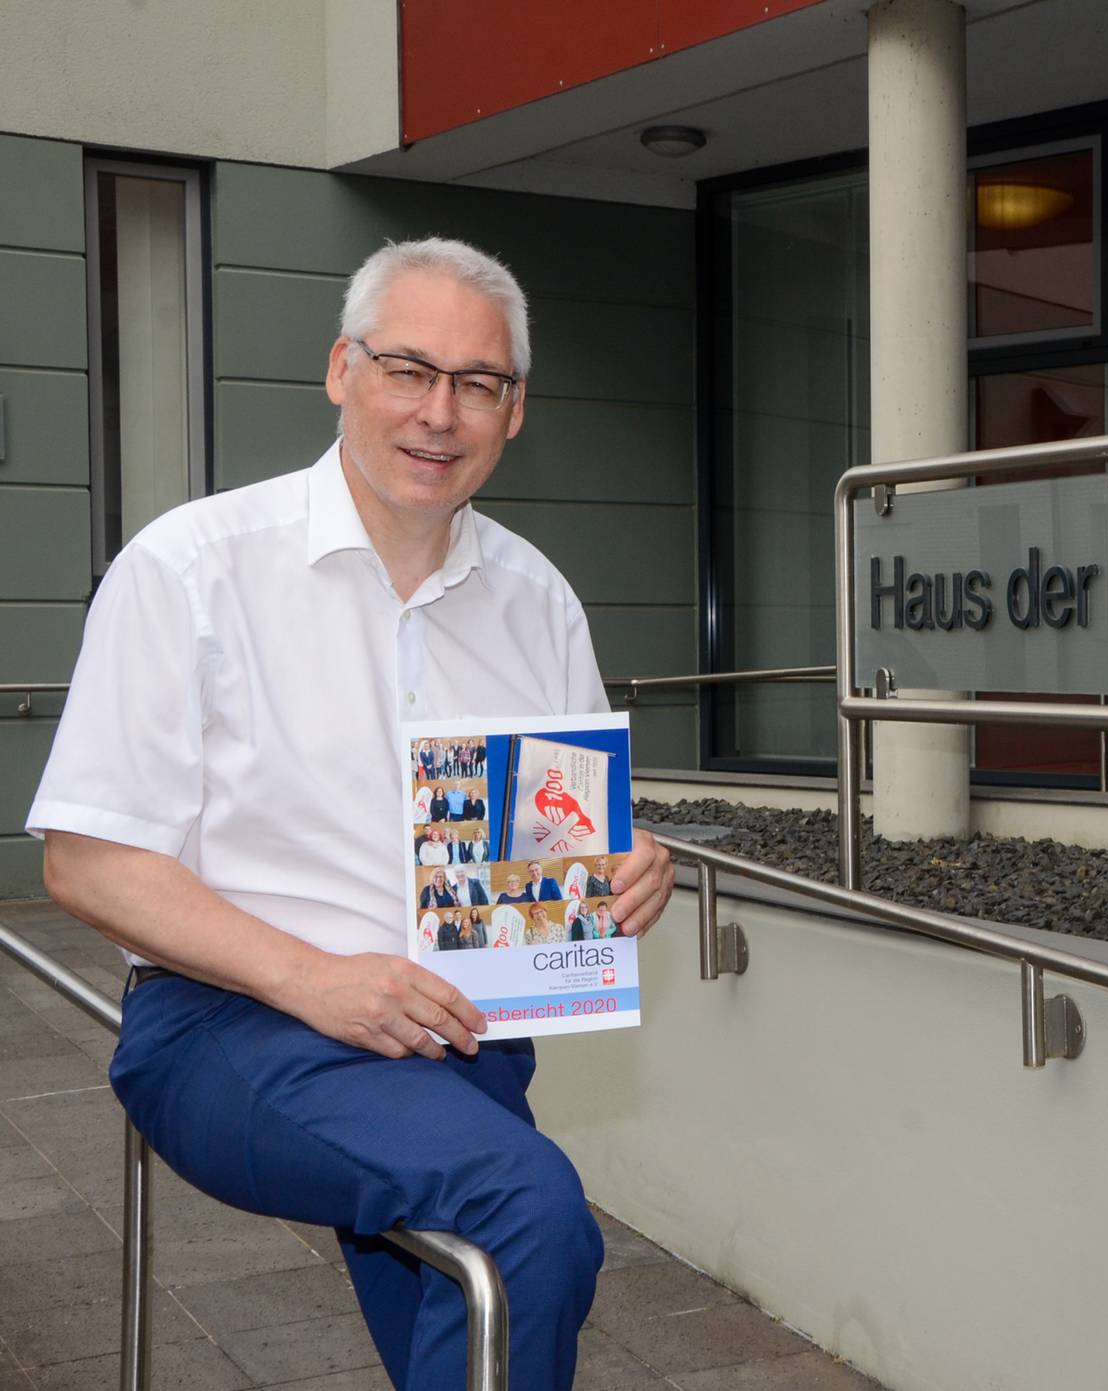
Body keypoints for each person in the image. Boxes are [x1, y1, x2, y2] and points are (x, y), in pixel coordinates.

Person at [27, 237, 676, 1391]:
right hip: (229, 1022)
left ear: (515, 410)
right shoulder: (192, 569)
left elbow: (554, 847)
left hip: (457, 1043)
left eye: (478, 383)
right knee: (528, 1211)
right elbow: (86, 861)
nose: (439, 412)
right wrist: (313, 978)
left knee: (490, 1295)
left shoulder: (537, 601)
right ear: (341, 370)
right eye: (407, 368)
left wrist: (619, 875)